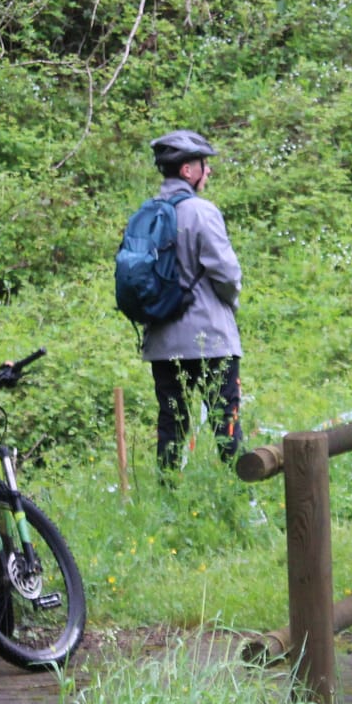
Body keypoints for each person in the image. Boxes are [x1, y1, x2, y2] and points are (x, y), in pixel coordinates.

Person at [141, 130, 244, 469]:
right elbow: (227, 274)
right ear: (188, 170)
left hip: (161, 342)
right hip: (210, 339)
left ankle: (169, 507)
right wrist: (231, 303)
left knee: (171, 428)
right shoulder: (202, 212)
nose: (208, 171)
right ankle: (242, 501)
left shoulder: (147, 214)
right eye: (204, 164)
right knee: (225, 424)